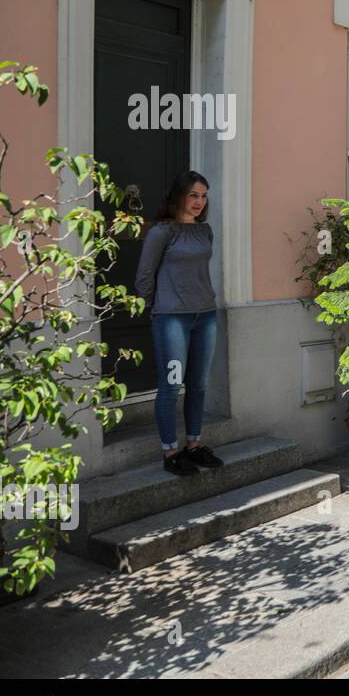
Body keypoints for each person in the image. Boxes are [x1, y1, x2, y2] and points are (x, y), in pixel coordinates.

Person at [134, 171, 223, 476]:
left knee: (198, 385)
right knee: (171, 386)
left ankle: (194, 445)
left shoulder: (204, 231)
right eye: (193, 195)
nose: (199, 202)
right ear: (179, 196)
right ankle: (170, 451)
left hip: (206, 316)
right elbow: (144, 276)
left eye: (204, 196)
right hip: (172, 319)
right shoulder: (163, 232)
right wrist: (153, 309)